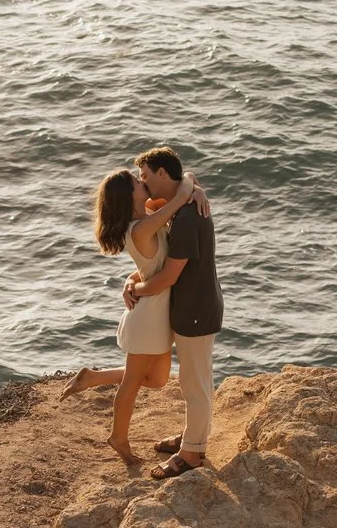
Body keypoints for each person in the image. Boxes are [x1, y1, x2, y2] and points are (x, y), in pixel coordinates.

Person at [62, 161, 207, 462]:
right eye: (137, 182)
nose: (143, 182)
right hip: (147, 317)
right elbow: (181, 195)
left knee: (157, 380)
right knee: (131, 385)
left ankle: (92, 377)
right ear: (129, 197)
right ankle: (118, 438)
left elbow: (185, 181)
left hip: (158, 314)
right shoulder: (140, 228)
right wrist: (193, 190)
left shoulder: (148, 213)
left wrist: (196, 186)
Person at [125, 146, 220, 479]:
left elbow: (168, 276)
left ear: (162, 173)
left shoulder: (186, 217)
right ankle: (193, 436)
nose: (142, 182)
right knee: (196, 379)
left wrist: (135, 290)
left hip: (195, 307)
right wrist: (192, 183)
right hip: (196, 303)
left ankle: (192, 453)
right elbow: (186, 180)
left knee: (195, 384)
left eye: (145, 176)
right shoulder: (181, 204)